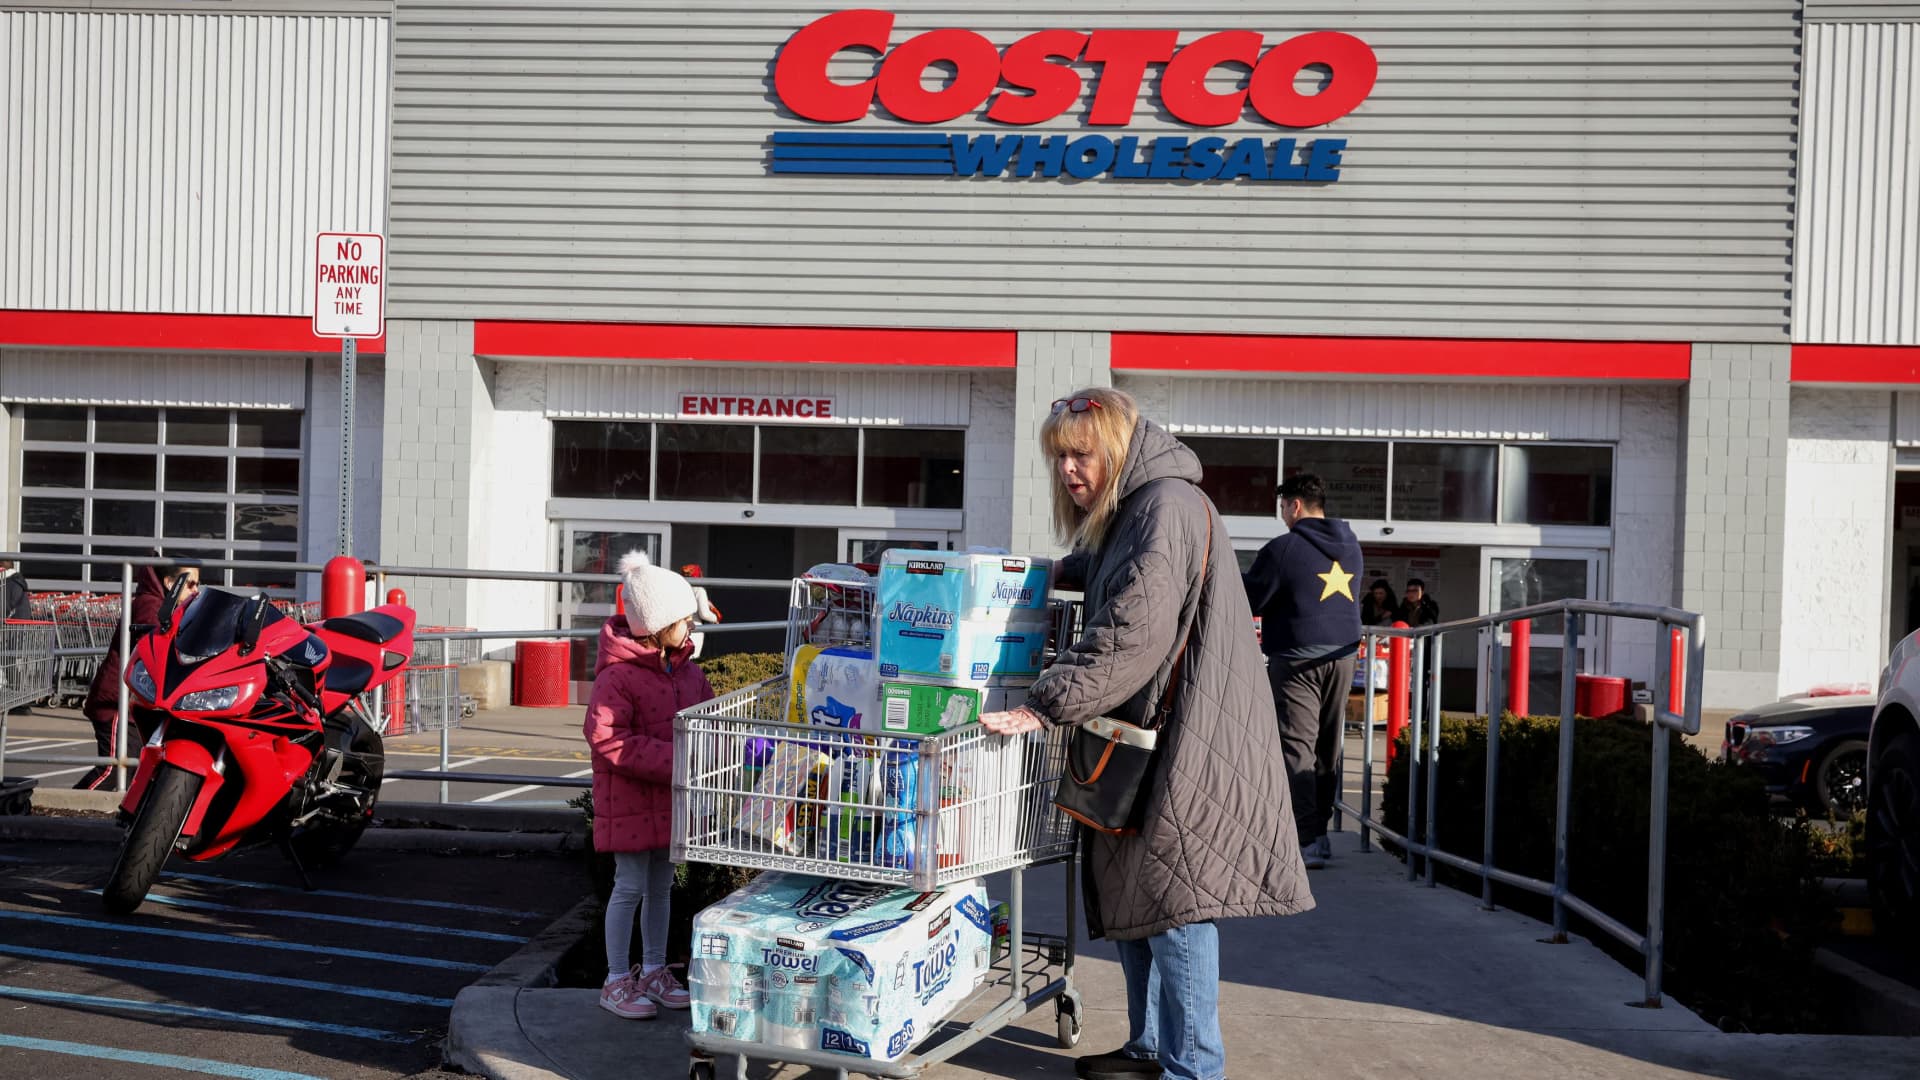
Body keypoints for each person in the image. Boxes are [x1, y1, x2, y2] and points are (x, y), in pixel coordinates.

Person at [981, 388, 1312, 1080]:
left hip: (1192, 735)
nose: (1068, 469)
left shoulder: (1164, 504)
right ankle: (1150, 1047)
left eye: (1081, 454)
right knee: (1138, 891)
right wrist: (1046, 573)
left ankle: (1195, 1068)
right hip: (1152, 730)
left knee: (1176, 900)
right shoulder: (1140, 508)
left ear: (1116, 448)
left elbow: (1132, 626)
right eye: (1059, 457)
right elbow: (1125, 576)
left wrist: (1045, 705)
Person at [588, 550, 713, 1020]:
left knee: (661, 886)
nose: (691, 625)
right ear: (659, 625)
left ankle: (655, 970)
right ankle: (616, 978)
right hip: (631, 799)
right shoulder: (617, 677)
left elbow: (708, 719)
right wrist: (678, 761)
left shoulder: (689, 672)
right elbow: (607, 737)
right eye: (684, 619)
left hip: (667, 797)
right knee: (629, 886)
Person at [1243, 473, 1364, 871]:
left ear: (1295, 505)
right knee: (1327, 748)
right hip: (1344, 654)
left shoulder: (1283, 548)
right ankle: (1321, 834)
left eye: (1283, 507)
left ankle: (1306, 839)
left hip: (1297, 658)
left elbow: (1251, 597)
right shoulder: (1351, 547)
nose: (1282, 515)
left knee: (1296, 747)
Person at [74, 558, 199, 791]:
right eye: (190, 584)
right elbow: (155, 645)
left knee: (137, 768)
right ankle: (74, 805)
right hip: (117, 702)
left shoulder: (168, 607)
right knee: (114, 769)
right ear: (170, 583)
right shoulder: (150, 604)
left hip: (134, 703)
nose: (196, 590)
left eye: (198, 584)